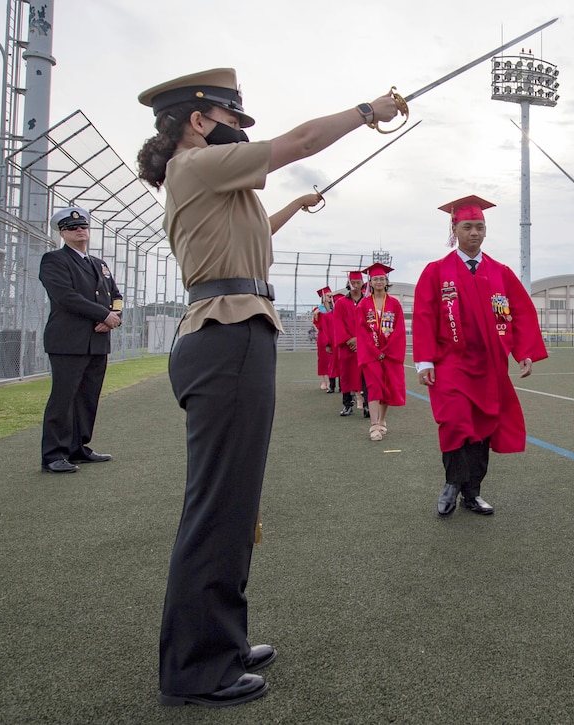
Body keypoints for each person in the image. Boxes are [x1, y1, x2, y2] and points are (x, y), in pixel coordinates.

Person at [137, 67, 397, 707]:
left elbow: (253, 240)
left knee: (232, 503)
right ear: (199, 120)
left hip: (235, 333)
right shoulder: (196, 166)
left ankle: (218, 642)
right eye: (229, 117)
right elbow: (303, 140)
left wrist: (294, 206)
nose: (238, 130)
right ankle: (196, 669)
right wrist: (367, 108)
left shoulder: (206, 177)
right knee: (220, 506)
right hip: (227, 339)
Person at [413, 195, 548, 516]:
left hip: (489, 366)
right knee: (455, 422)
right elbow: (424, 315)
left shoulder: (500, 272)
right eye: (467, 226)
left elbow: (521, 312)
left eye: (479, 227)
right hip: (450, 363)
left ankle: (472, 492)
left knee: (482, 428)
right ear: (454, 229)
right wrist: (425, 360)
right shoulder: (436, 272)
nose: (474, 232)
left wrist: (523, 352)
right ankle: (452, 484)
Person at [38, 206, 123, 473]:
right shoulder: (54, 260)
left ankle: (78, 448)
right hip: (69, 342)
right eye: (73, 228)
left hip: (97, 341)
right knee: (63, 399)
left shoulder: (99, 264)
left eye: (83, 227)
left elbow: (116, 295)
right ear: (62, 233)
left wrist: (116, 315)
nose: (80, 231)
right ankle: (53, 454)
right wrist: (103, 314)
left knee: (87, 398)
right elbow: (66, 296)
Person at [356, 263, 406, 440]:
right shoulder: (363, 305)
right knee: (374, 387)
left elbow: (399, 330)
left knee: (387, 388)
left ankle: (383, 421)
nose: (379, 281)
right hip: (371, 355)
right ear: (370, 281)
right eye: (375, 279)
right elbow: (362, 331)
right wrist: (375, 352)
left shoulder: (394, 304)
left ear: (386, 281)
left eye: (382, 279)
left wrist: (387, 350)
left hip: (390, 353)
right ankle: (374, 426)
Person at [333, 270, 367, 417]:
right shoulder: (341, 303)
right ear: (349, 284)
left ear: (362, 284)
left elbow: (369, 323)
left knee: (365, 375)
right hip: (347, 346)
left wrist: (359, 339)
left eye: (358, 282)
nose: (356, 285)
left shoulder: (367, 302)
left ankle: (367, 405)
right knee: (346, 375)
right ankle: (347, 405)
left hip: (364, 345)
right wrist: (350, 340)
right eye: (353, 283)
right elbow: (338, 323)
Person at [313, 286, 339, 392]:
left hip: (333, 336)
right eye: (328, 296)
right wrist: (316, 315)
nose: (330, 298)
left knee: (331, 359)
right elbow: (316, 324)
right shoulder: (318, 309)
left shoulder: (334, 308)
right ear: (323, 297)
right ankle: (323, 381)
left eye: (331, 296)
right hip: (323, 336)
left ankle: (330, 381)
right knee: (322, 359)